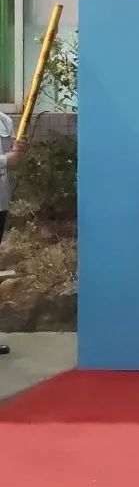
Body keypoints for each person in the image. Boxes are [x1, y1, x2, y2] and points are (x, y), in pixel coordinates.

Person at [0, 111, 28, 357]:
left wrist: (17, 153)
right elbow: (5, 160)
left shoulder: (4, 121)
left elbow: (11, 160)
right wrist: (5, 159)